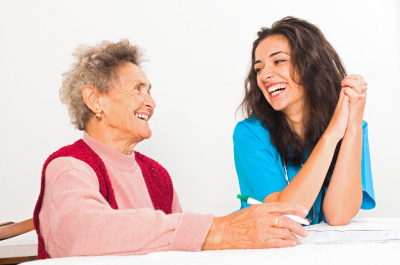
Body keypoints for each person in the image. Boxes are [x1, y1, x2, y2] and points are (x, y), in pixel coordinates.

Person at [33, 40, 307, 259]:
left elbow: (175, 252)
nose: (150, 102)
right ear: (94, 100)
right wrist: (221, 230)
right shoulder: (69, 167)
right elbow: (86, 233)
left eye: (149, 91)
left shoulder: (157, 174)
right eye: (138, 89)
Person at [233, 17, 375, 226]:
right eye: (259, 68)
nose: (264, 75)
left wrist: (352, 124)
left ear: (311, 64)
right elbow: (284, 215)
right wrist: (332, 135)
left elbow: (338, 215)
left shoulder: (354, 128)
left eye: (279, 61)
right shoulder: (249, 134)